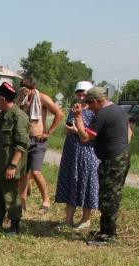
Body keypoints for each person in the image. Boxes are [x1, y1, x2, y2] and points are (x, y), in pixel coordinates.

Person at [73, 86, 133, 246]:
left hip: (112, 161)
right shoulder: (119, 110)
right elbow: (130, 133)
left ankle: (108, 236)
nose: (89, 108)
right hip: (122, 156)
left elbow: (85, 137)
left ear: (96, 101)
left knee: (108, 198)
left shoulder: (103, 114)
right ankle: (105, 230)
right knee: (112, 195)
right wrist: (119, 146)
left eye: (89, 104)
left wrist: (78, 117)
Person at [0, 82, 30, 235]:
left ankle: (14, 226)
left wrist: (13, 166)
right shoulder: (0, 116)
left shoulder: (19, 117)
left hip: (10, 163)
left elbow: (22, 144)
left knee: (10, 195)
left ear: (2, 99)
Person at [54, 81, 100, 230]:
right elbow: (67, 128)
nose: (81, 97)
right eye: (78, 94)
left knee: (86, 183)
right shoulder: (74, 109)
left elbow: (91, 134)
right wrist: (69, 130)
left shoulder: (94, 112)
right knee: (71, 182)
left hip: (87, 152)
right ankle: (68, 220)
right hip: (71, 151)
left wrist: (76, 130)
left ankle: (86, 220)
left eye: (83, 94)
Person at [15, 76, 64, 213]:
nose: (26, 91)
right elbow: (13, 113)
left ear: (34, 88)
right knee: (23, 173)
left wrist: (48, 132)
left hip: (38, 141)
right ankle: (22, 204)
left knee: (36, 172)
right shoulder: (20, 99)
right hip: (23, 140)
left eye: (29, 89)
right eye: (24, 88)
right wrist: (19, 99)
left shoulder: (42, 98)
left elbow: (59, 114)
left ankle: (46, 201)